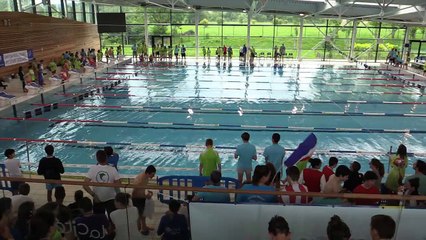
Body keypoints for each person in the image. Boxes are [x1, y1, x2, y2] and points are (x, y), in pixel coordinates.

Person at [83, 150, 120, 219]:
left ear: (97, 159)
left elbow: (85, 185)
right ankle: (112, 229)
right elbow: (118, 185)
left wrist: (94, 195)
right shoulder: (112, 169)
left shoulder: (92, 169)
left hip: (97, 198)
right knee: (113, 219)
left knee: (98, 220)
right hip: (111, 198)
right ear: (106, 158)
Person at [132, 165, 156, 234]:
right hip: (137, 199)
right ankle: (139, 230)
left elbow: (140, 190)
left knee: (143, 214)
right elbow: (135, 193)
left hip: (141, 198)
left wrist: (146, 194)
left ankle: (144, 226)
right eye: (153, 174)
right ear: (148, 173)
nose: (153, 176)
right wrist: (146, 196)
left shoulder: (145, 176)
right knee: (139, 216)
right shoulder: (141, 179)